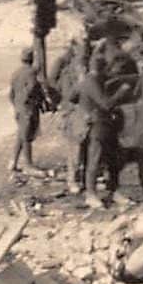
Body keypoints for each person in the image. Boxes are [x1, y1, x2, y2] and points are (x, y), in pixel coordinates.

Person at [79, 56, 132, 208]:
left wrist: (84, 106)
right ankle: (91, 194)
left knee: (113, 160)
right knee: (94, 160)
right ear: (102, 68)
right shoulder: (92, 82)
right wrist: (121, 93)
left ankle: (113, 191)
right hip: (98, 125)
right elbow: (106, 104)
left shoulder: (89, 81)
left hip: (106, 124)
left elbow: (72, 96)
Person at [57, 39, 91, 194]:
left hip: (83, 114)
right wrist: (82, 81)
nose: (83, 60)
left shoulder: (87, 71)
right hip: (72, 114)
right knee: (74, 151)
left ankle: (83, 178)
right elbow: (69, 96)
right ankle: (72, 180)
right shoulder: (68, 74)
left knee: (85, 149)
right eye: (81, 56)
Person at [8, 47, 48, 177]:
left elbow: (11, 94)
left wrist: (17, 105)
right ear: (32, 59)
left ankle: (13, 162)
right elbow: (32, 89)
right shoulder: (31, 73)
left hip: (19, 108)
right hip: (28, 108)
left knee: (21, 134)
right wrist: (39, 101)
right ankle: (28, 165)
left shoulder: (15, 73)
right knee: (27, 137)